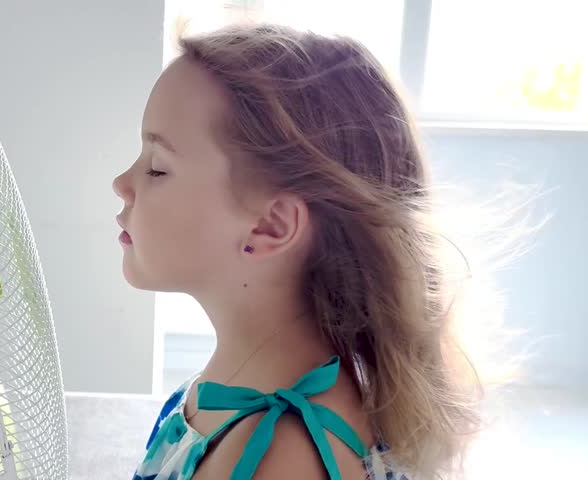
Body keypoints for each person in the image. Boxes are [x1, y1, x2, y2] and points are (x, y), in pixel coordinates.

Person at [114, 24, 482, 480]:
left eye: (157, 168)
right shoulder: (241, 387)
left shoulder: (276, 457)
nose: (122, 183)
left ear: (271, 226)